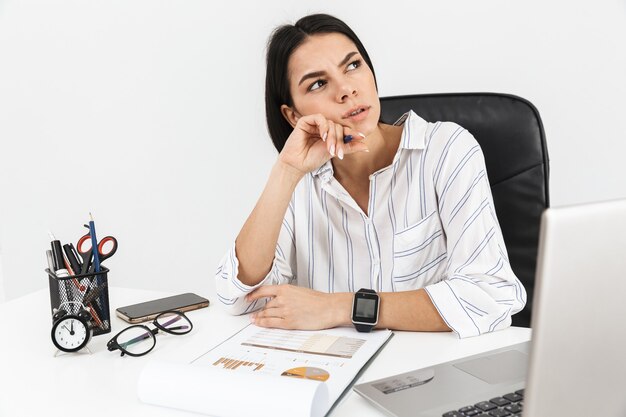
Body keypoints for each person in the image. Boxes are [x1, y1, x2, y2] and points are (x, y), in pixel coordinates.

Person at [215, 13, 526, 338]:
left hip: (431, 371)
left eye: (352, 66)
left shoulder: (446, 150)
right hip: (332, 376)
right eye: (318, 83)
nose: (346, 89)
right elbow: (236, 297)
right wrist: (287, 170)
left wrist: (339, 307)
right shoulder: (298, 182)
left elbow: (489, 296)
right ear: (293, 115)